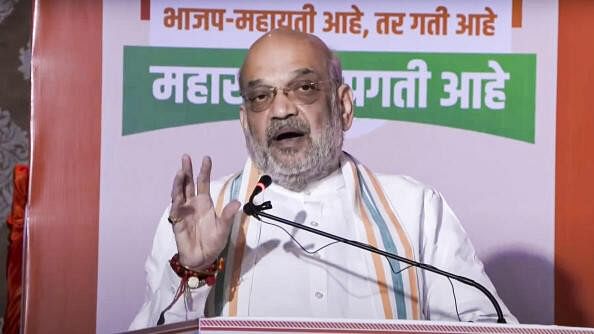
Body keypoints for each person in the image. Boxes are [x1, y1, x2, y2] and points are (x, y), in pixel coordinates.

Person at [130, 29, 516, 329]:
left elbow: (485, 326)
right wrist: (195, 272)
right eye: (260, 96)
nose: (281, 109)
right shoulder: (195, 221)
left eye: (305, 87)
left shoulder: (415, 208)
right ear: (245, 121)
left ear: (343, 106)